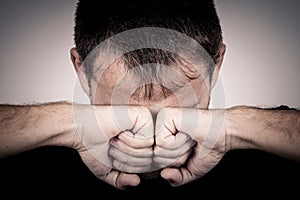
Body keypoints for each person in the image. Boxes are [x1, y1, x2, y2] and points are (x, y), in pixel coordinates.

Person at [0, 0, 299, 197]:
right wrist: (66, 123)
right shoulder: (23, 155)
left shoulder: (272, 145)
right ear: (81, 69)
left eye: (183, 109)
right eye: (122, 108)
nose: (154, 136)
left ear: (216, 64)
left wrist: (234, 128)